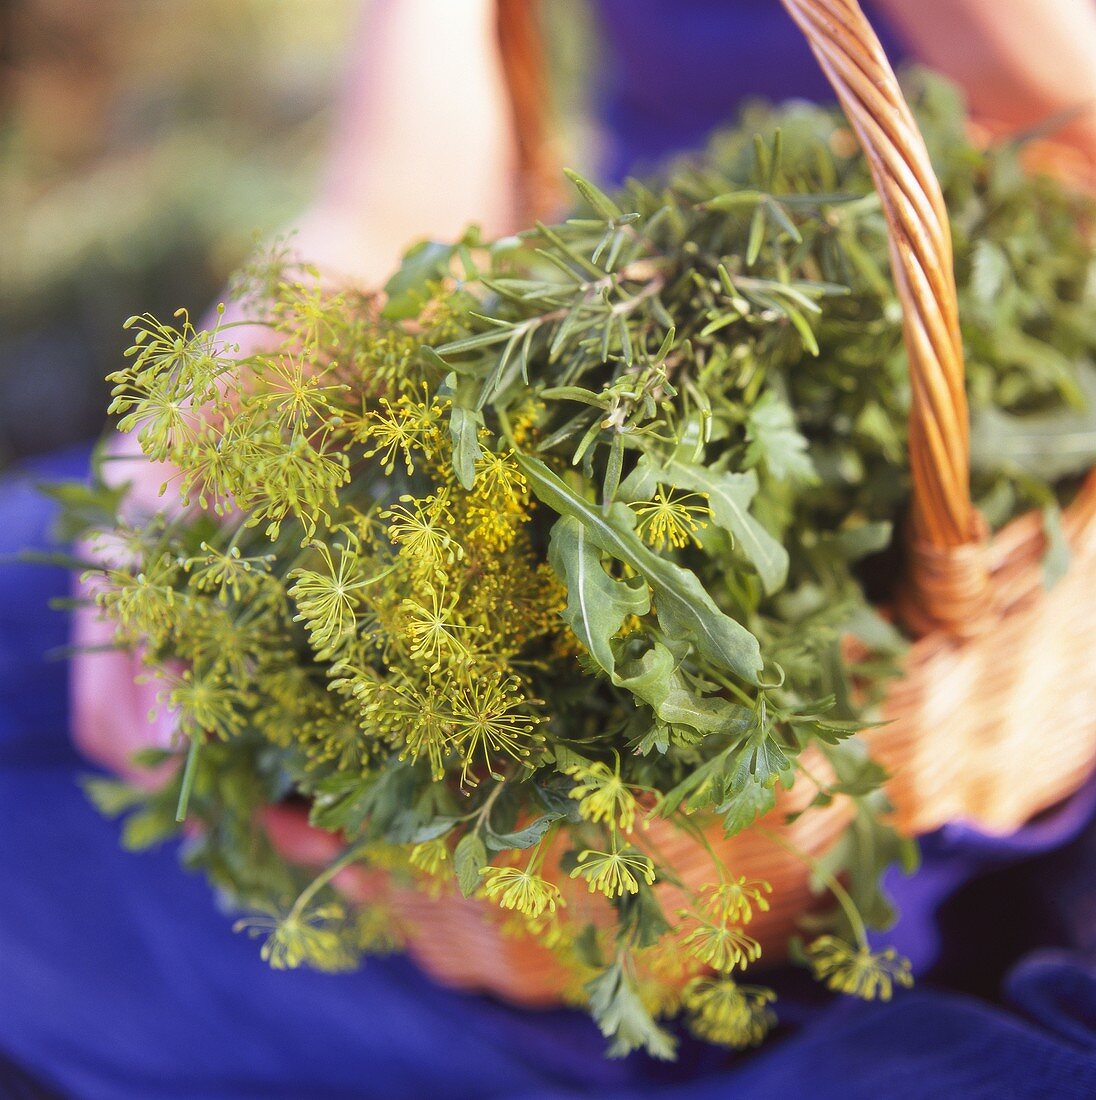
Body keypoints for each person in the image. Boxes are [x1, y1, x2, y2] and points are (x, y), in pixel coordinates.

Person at [2, 2, 1095, 1096]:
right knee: (36, 619)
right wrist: (195, 439)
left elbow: (1064, 121)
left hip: (961, 344)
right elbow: (393, 207)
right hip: (616, 320)